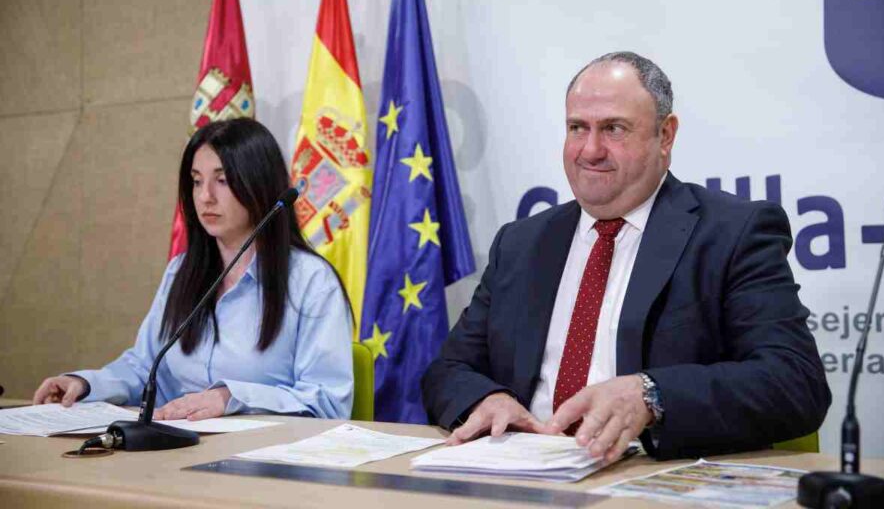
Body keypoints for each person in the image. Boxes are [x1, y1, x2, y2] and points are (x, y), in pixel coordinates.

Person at [421, 52, 831, 461]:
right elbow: (449, 369)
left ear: (665, 136)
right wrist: (486, 399)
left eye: (614, 129)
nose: (590, 150)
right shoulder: (520, 243)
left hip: (646, 474)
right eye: (577, 128)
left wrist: (651, 395)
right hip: (524, 470)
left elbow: (796, 383)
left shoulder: (732, 233)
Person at [33, 118, 353, 420]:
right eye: (197, 181)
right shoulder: (181, 271)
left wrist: (229, 398)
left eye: (222, 180)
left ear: (260, 184)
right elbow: (144, 368)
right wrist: (84, 384)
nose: (205, 197)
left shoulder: (311, 281)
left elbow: (327, 401)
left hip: (263, 453)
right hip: (179, 446)